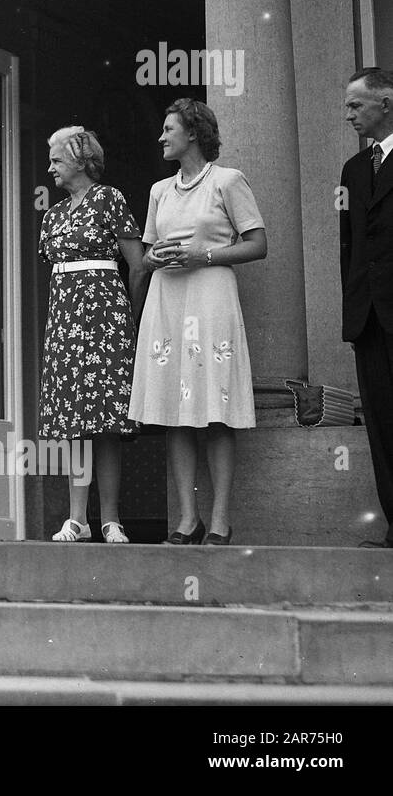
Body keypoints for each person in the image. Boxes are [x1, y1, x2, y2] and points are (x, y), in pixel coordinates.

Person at [129, 98, 267, 546]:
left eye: (169, 129)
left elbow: (258, 243)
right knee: (174, 414)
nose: (161, 137)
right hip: (168, 299)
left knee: (215, 412)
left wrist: (202, 254)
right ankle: (188, 519)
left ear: (193, 133)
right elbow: (146, 254)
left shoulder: (228, 181)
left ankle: (221, 519)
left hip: (210, 297)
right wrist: (155, 257)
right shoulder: (158, 190)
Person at [37, 127, 146, 543]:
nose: (50, 168)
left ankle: (110, 520)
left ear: (81, 161)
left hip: (106, 317)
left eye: (57, 160)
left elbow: (137, 265)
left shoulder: (110, 198)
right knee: (75, 420)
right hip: (65, 319)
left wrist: (131, 319)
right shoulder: (53, 214)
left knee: (107, 422)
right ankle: (77, 519)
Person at [341, 68, 393, 549]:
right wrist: (351, 310)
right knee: (380, 421)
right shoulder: (354, 171)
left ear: (386, 102)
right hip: (370, 317)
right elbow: (349, 246)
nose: (349, 113)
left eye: (357, 105)